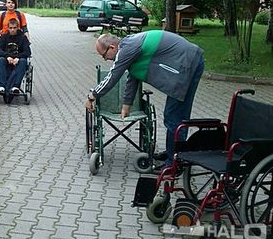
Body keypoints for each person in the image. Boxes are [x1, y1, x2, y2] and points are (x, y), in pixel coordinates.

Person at [85, 31, 204, 168]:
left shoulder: (126, 49)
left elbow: (113, 76)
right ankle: (173, 153)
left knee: (174, 117)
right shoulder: (129, 45)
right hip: (187, 61)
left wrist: (92, 96)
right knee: (174, 116)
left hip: (188, 64)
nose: (105, 59)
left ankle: (174, 164)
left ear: (112, 47)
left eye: (104, 55)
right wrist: (126, 105)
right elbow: (134, 76)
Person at [0, 18, 31, 96]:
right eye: (10, 28)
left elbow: (27, 51)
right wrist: (7, 56)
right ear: (8, 28)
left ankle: (15, 86)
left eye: (14, 28)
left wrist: (18, 57)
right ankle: (1, 86)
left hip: (18, 60)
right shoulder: (3, 37)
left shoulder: (23, 38)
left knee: (23, 61)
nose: (12, 30)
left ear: (18, 28)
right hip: (6, 59)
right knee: (0, 59)